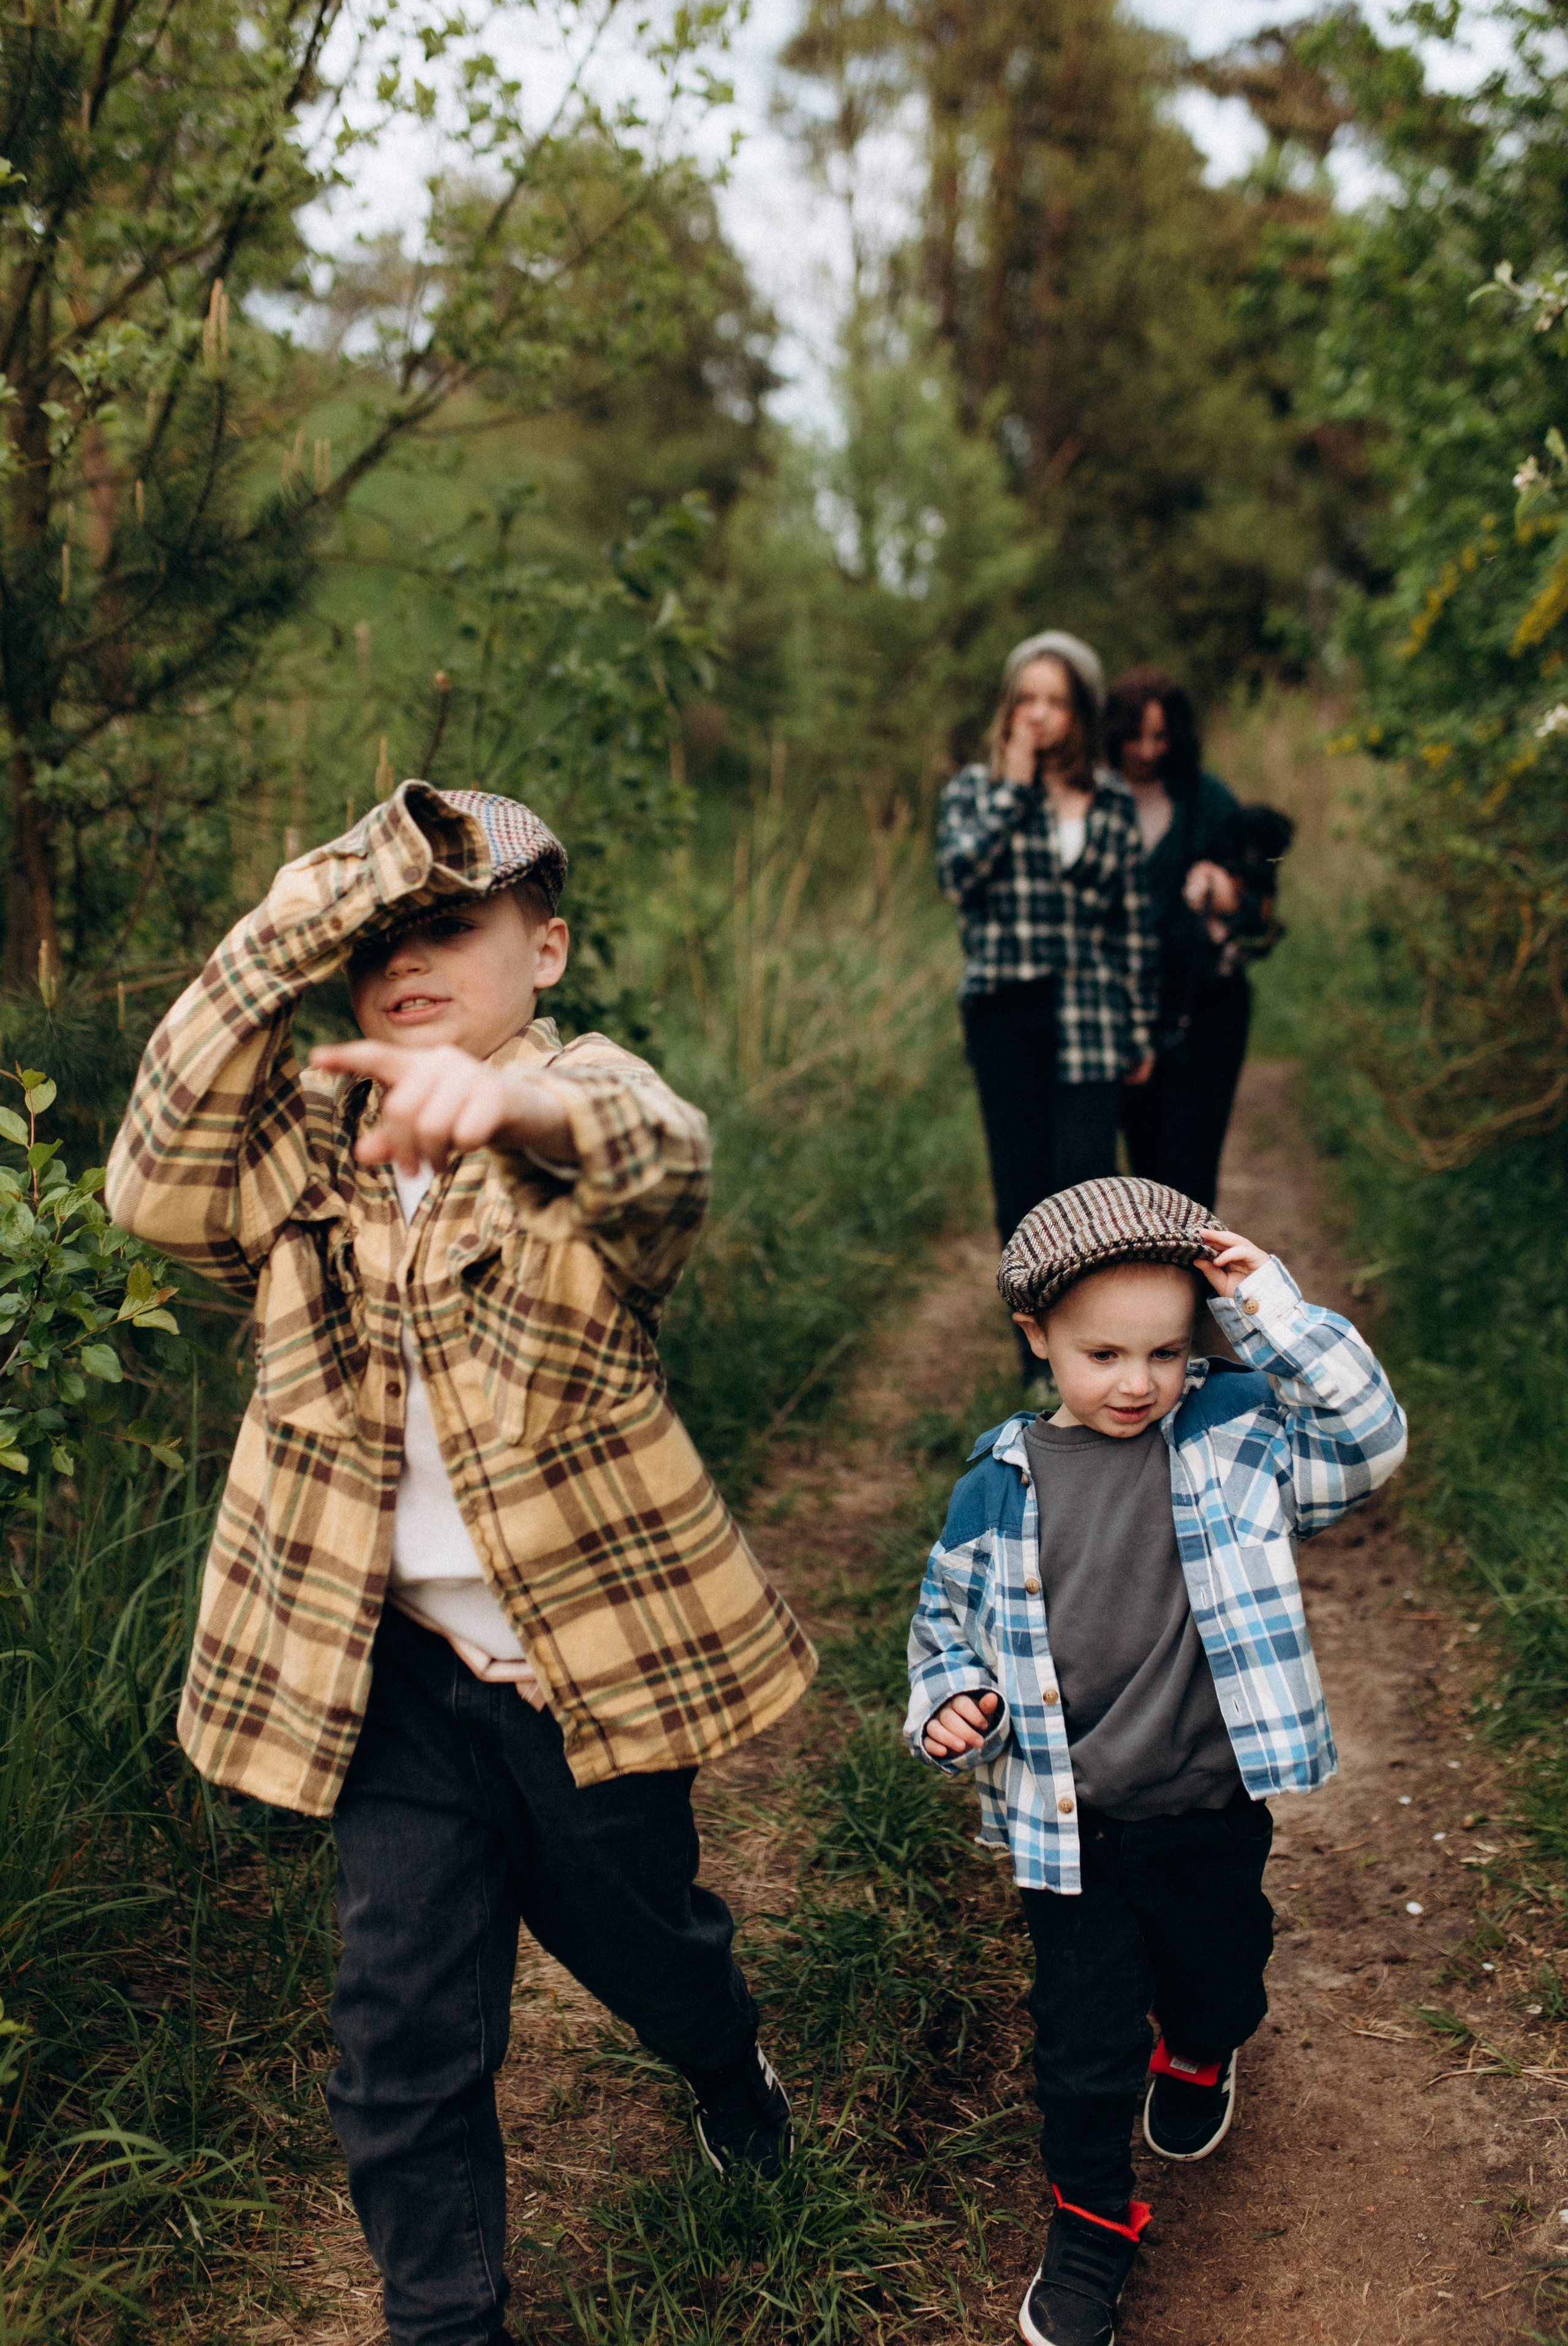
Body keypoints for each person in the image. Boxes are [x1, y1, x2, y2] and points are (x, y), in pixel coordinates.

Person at [106, 782, 816, 2346]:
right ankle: (446, 2317)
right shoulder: (311, 1138)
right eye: (376, 946)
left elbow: (664, 1160)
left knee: (648, 1941)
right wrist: (291, 921)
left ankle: (721, 2062)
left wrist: (512, 1113)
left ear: (543, 947)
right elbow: (146, 1180)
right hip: (398, 1684)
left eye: (452, 926)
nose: (407, 963)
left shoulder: (579, 1094)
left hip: (573, 1672)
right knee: (399, 2029)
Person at [904, 1177, 1406, 2346]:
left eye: (1168, 1351)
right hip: (1069, 1835)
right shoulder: (994, 1490)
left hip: (1207, 1807)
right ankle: (1090, 2224)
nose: (1138, 1383)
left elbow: (1368, 1440)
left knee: (1220, 1968)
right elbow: (943, 1627)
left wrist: (1266, 1304)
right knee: (1080, 2049)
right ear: (1036, 1338)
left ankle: (1202, 2046)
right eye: (1104, 1354)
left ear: (1200, 1340)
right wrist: (949, 1701)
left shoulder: (1234, 1436)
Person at [938, 633, 1158, 1314]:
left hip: (1090, 1015)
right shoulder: (975, 792)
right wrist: (1012, 788)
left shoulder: (1113, 800)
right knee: (1021, 1186)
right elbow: (958, 879)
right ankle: (1036, 1344)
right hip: (1005, 1008)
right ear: (1006, 708)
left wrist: (1140, 1031)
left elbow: (1131, 927)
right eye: (1025, 698)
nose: (1038, 714)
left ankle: (1092, 1332)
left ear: (1081, 713)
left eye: (1055, 702)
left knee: (1087, 1185)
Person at [1104, 667, 1267, 1212]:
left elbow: (1261, 906)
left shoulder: (1209, 799)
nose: (1149, 750)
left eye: (1161, 736)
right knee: (1143, 1176)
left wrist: (1227, 895)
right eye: (1136, 735)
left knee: (1191, 1175)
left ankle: (1199, 1294)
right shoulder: (1094, 799)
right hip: (1124, 1012)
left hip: (1204, 1014)